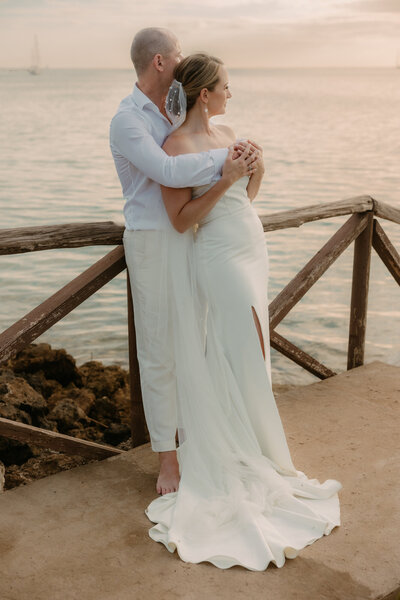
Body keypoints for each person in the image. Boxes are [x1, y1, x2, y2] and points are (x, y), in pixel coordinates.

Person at [144, 53, 343, 571]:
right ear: (204, 94)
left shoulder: (227, 130)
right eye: (227, 87)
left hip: (251, 249)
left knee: (249, 350)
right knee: (246, 351)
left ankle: (252, 445)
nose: (232, 95)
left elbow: (250, 196)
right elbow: (183, 220)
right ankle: (246, 457)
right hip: (218, 257)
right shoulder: (174, 147)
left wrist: (257, 167)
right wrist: (228, 177)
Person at [109, 28, 258, 496]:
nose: (182, 60)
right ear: (159, 61)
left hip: (193, 234)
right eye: (176, 54)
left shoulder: (172, 109)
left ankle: (199, 440)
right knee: (158, 351)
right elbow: (169, 170)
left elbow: (190, 153)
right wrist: (231, 161)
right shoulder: (127, 120)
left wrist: (243, 158)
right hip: (153, 241)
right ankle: (167, 461)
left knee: (195, 341)